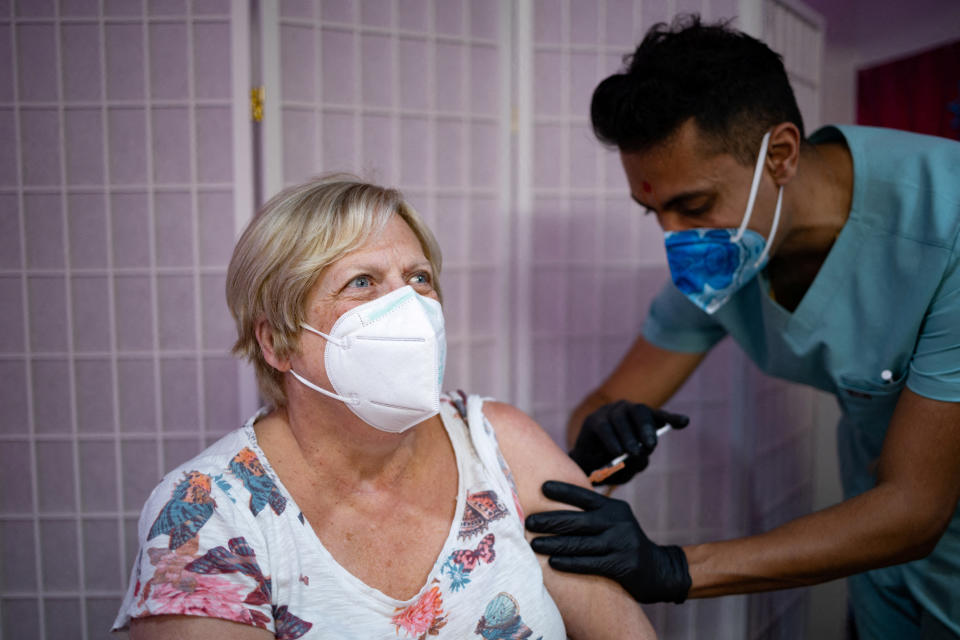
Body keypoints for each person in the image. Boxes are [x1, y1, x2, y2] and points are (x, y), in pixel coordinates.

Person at [524, 15, 960, 640]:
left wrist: (676, 568)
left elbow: (917, 509)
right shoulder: (726, 260)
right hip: (876, 539)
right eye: (655, 212)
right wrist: (598, 438)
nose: (676, 238)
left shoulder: (946, 224)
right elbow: (604, 403)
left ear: (779, 155)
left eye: (694, 205)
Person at [111, 176, 655, 639]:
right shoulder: (207, 515)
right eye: (362, 282)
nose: (409, 306)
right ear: (277, 342)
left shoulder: (497, 441)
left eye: (419, 278)